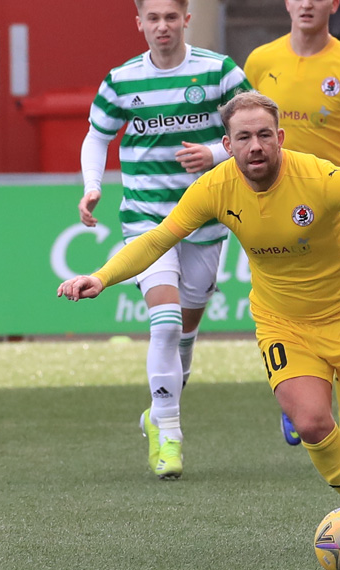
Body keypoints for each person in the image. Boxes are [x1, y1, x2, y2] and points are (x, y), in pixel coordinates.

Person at [58, 91, 340, 549]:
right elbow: (159, 237)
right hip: (283, 323)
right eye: (243, 137)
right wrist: (103, 277)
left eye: (262, 135)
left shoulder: (318, 177)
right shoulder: (214, 187)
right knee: (312, 422)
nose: (254, 146)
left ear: (279, 138)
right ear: (228, 144)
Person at [78, 0, 250, 480]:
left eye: (170, 17)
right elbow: (96, 136)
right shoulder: (121, 80)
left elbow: (254, 126)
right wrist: (93, 185)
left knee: (186, 338)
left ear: (186, 20)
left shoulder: (218, 72)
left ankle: (156, 414)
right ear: (139, 23)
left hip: (207, 220)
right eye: (152, 18)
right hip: (147, 220)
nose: (162, 26)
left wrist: (216, 151)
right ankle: (170, 436)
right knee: (167, 323)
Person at [244, 0, 340, 452]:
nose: (306, 3)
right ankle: (301, 400)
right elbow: (241, 131)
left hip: (335, 215)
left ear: (334, 4)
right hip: (271, 213)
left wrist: (335, 183)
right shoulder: (261, 60)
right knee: (286, 307)